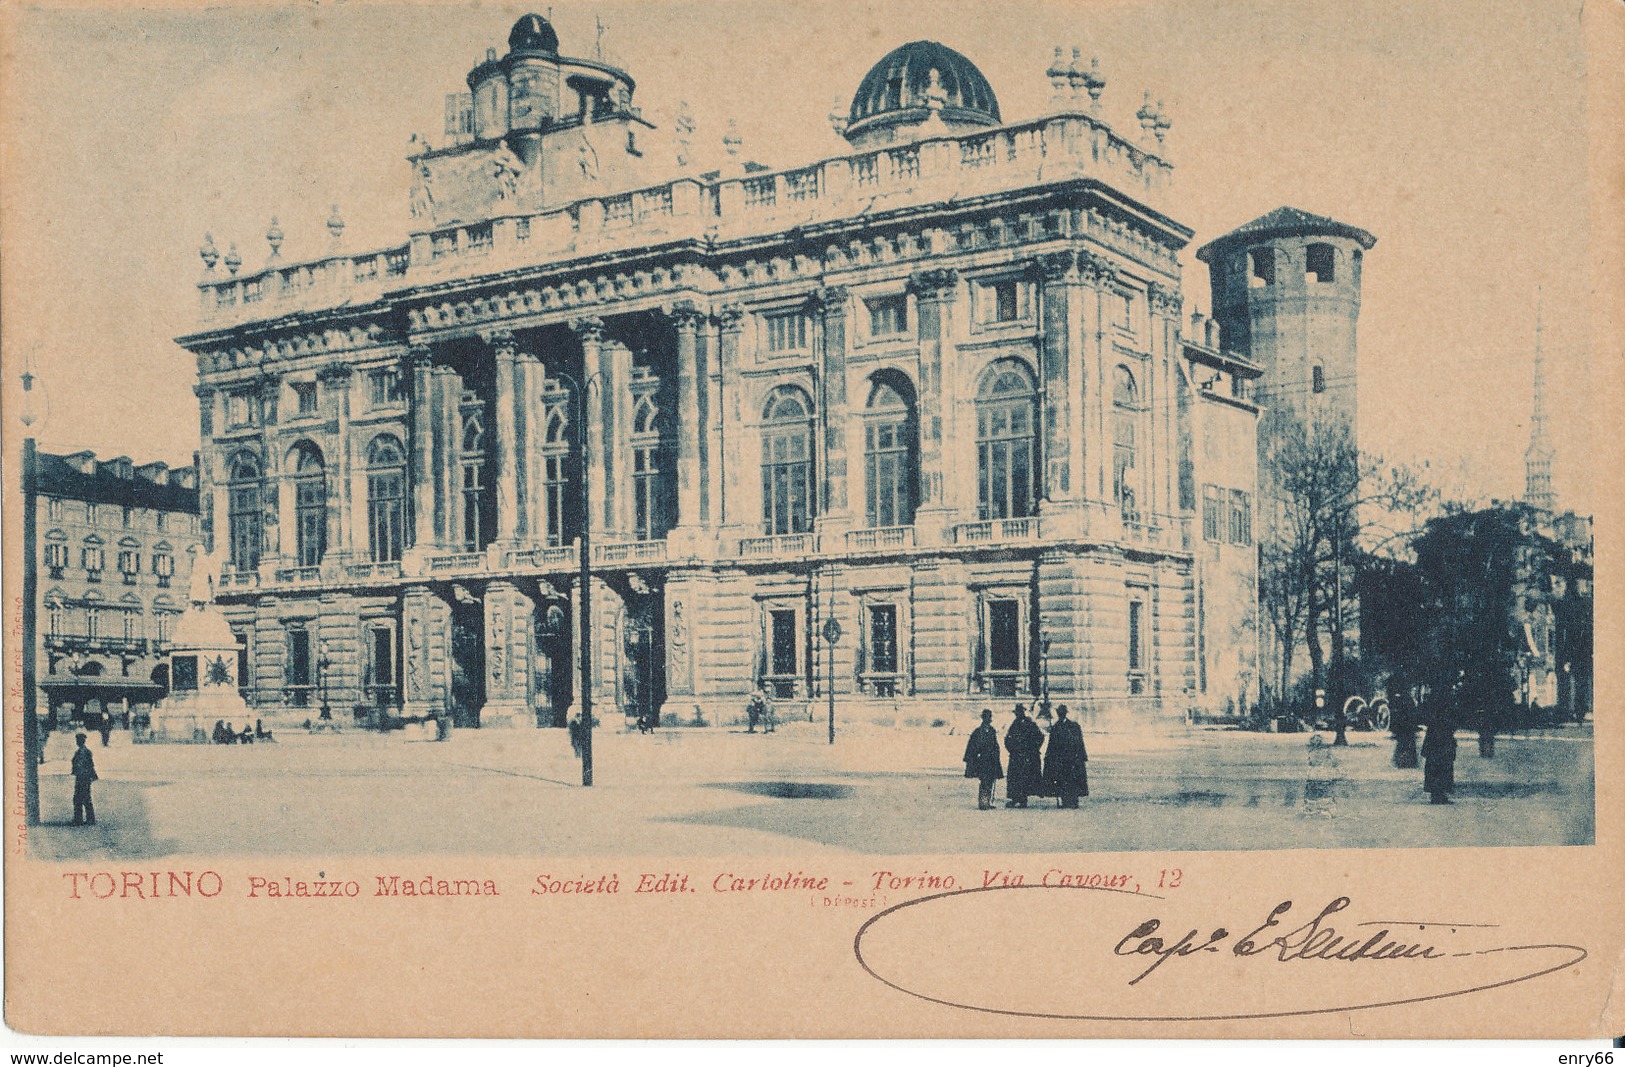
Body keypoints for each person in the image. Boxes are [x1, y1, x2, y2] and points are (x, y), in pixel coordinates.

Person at [1043, 705, 1089, 808]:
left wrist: (1082, 756)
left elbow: (1080, 742)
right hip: (1061, 759)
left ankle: (1073, 801)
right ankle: (1064, 800)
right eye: (1060, 712)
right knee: (1062, 780)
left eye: (1062, 712)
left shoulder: (1074, 726)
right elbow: (1051, 744)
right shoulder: (1056, 727)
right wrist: (1049, 757)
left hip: (1071, 758)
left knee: (1072, 779)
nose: (1061, 714)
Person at [1003, 704, 1045, 808]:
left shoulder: (1030, 723)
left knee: (1024, 777)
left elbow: (1040, 737)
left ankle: (1023, 800)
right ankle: (1015, 798)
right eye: (1016, 713)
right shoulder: (1014, 724)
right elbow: (1008, 739)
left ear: (1022, 713)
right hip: (1016, 756)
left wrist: (1034, 749)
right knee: (1015, 778)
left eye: (1019, 712)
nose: (1017, 714)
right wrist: (1011, 750)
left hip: (1027, 756)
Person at [961, 709, 1004, 810]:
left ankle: (987, 802)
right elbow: (971, 746)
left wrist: (997, 753)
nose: (988, 719)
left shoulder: (992, 730)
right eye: (986, 717)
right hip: (982, 760)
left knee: (990, 780)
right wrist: (972, 759)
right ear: (983, 718)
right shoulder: (977, 732)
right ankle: (982, 803)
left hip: (992, 760)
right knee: (984, 780)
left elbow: (995, 744)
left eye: (989, 717)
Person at [1421, 703, 1458, 805]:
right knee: (1442, 766)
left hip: (1436, 740)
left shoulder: (1435, 705)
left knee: (1436, 767)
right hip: (1441, 740)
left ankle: (1437, 794)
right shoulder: (1445, 706)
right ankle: (1438, 794)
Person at [1387, 670, 1419, 769]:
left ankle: (1403, 762)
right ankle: (1407, 762)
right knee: (1406, 744)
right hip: (1406, 726)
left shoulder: (1402, 699)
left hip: (1404, 726)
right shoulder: (1406, 698)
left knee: (1403, 744)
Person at [69, 733, 97, 826]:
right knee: (83, 798)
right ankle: (87, 818)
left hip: (83, 778)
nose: (77, 742)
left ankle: (80, 819)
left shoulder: (83, 752)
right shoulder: (84, 751)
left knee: (80, 798)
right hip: (83, 777)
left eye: (78, 740)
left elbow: (85, 765)